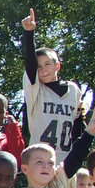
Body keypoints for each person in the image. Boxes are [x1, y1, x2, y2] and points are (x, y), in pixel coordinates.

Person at [21, 8, 84, 166]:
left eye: (47, 64)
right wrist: (29, 33)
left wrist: (77, 159)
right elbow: (30, 64)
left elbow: (77, 127)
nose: (43, 70)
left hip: (65, 161)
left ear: (57, 66)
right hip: (39, 160)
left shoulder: (73, 90)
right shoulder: (36, 90)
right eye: (39, 66)